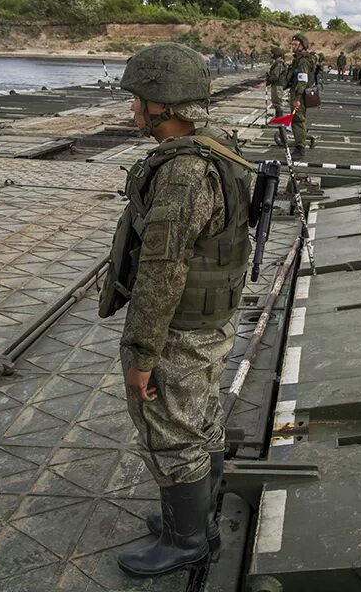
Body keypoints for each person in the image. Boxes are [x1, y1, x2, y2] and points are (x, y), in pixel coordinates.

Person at [99, 42, 254, 577]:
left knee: (171, 427)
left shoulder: (183, 174)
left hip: (182, 327)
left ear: (161, 106)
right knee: (201, 415)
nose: (133, 111)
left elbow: (162, 275)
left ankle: (188, 539)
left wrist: (140, 353)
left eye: (138, 100)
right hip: (214, 317)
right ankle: (198, 518)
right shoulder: (219, 146)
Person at [288, 32, 315, 160]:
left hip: (299, 94)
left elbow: (302, 80)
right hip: (298, 92)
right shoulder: (300, 59)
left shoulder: (303, 60)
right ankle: (299, 142)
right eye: (292, 43)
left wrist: (297, 98)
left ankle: (300, 148)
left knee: (298, 120)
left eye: (295, 43)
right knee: (297, 120)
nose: (292, 45)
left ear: (302, 45)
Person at [265, 45, 289, 117]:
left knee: (277, 102)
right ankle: (278, 117)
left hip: (277, 85)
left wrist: (268, 80)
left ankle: (279, 118)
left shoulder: (279, 64)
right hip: (277, 84)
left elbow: (275, 76)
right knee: (276, 102)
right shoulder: (279, 63)